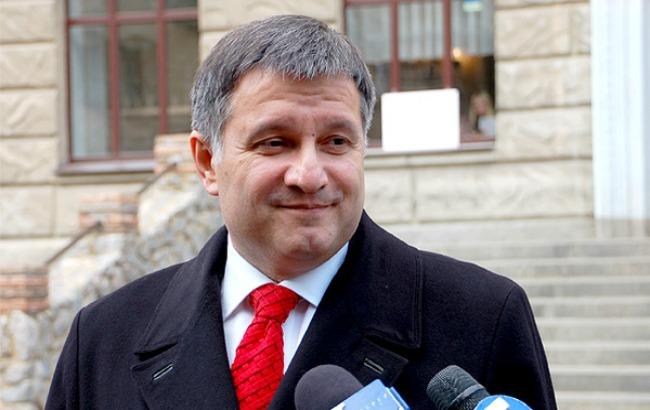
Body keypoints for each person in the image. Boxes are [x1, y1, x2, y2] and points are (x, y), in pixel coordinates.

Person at [46, 15, 556, 410]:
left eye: (336, 141)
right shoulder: (105, 337)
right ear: (207, 162)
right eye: (275, 142)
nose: (310, 175)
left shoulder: (483, 318)